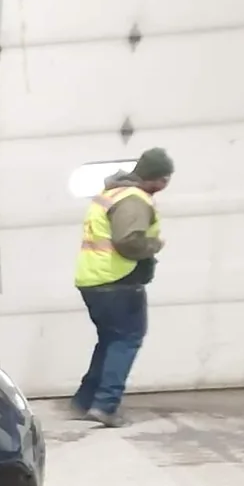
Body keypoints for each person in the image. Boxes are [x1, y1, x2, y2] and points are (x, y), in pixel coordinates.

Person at [72, 148, 173, 426]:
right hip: (118, 281)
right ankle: (105, 405)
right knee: (127, 340)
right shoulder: (133, 200)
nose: (165, 184)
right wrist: (155, 244)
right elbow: (128, 241)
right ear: (156, 178)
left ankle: (84, 401)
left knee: (110, 340)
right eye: (164, 179)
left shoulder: (112, 193)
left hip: (94, 279)